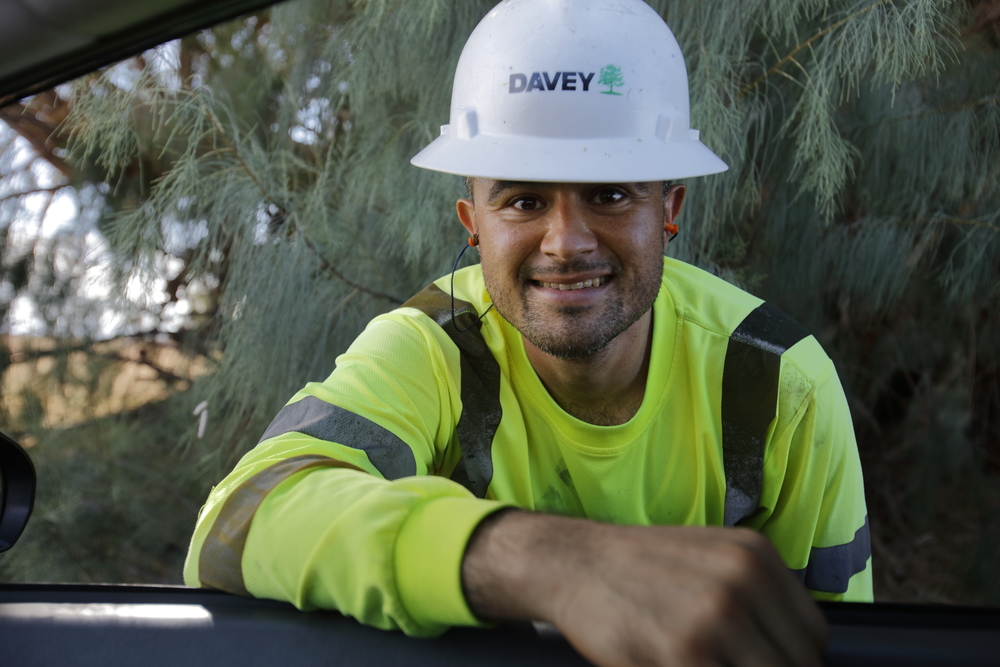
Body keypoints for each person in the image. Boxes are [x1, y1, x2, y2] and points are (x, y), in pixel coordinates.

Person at [184, 1, 872, 665]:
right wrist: (553, 561)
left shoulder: (779, 383)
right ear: (472, 222)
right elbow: (238, 524)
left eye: (609, 193)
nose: (566, 242)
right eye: (524, 199)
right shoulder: (434, 347)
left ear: (670, 209)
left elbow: (837, 637)